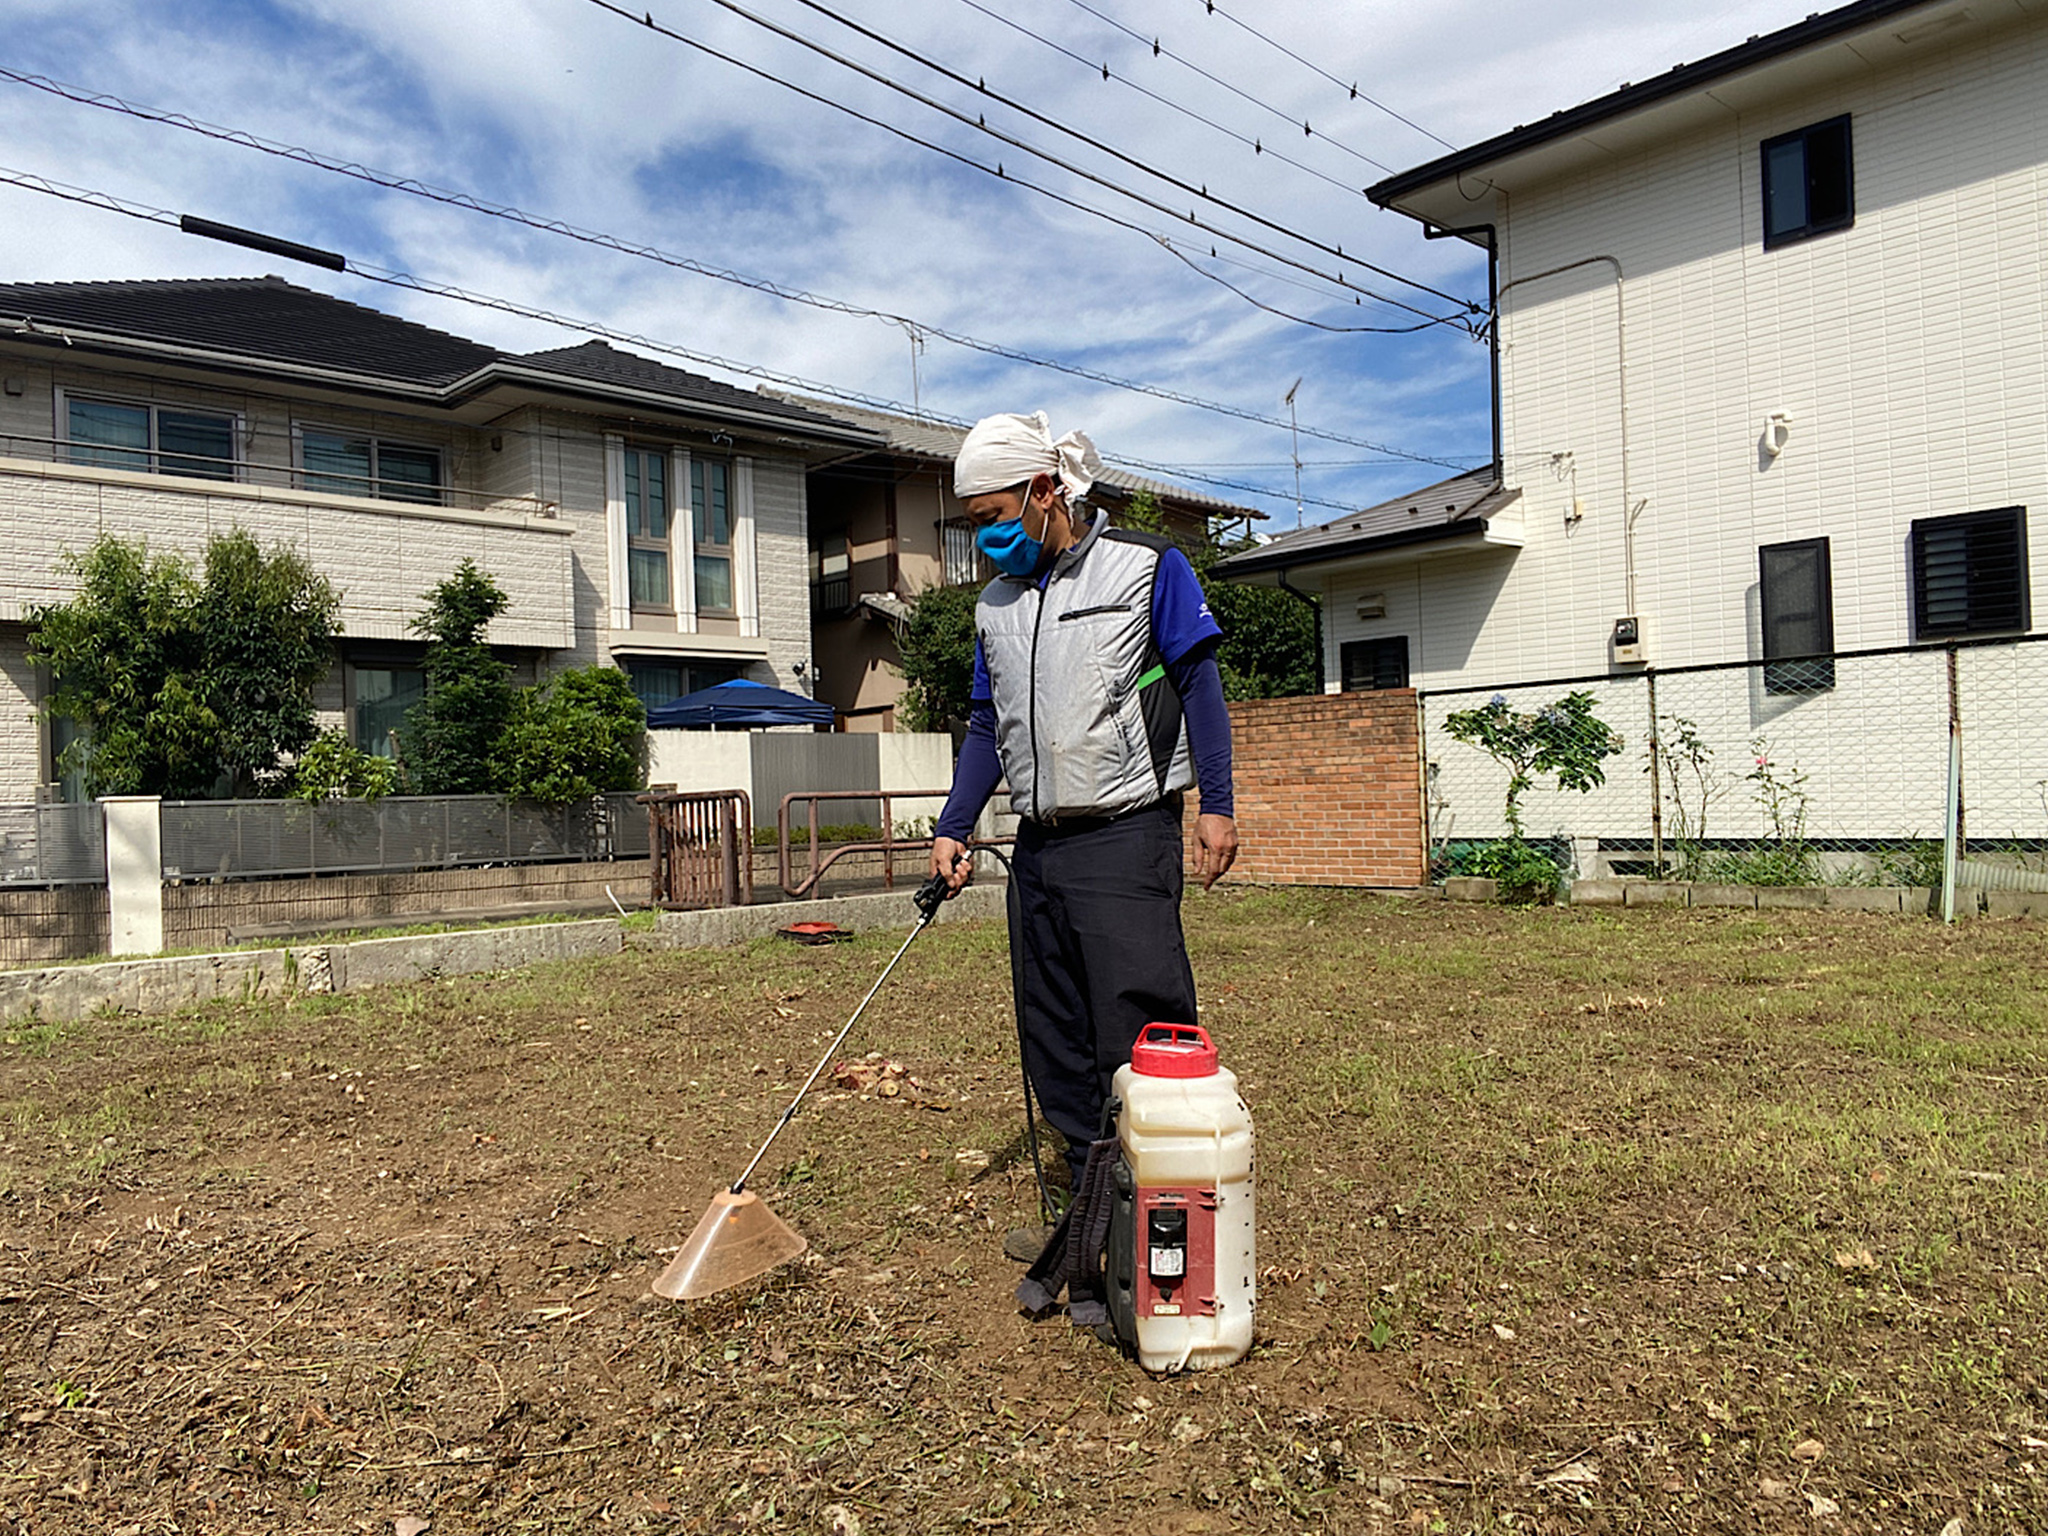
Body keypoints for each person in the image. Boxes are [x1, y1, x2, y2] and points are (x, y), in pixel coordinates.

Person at [927, 412, 1238, 1243]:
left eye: (991, 518)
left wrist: (1218, 804)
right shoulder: (996, 606)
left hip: (1125, 835)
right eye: (972, 525)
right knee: (1054, 1028)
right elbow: (988, 726)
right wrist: (956, 822)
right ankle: (1083, 1211)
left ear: (1041, 491)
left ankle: (1155, 1209)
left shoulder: (1145, 565)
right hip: (1039, 847)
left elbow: (1200, 682)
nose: (983, 539)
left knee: (1137, 1025)